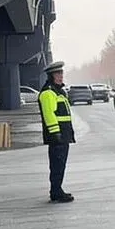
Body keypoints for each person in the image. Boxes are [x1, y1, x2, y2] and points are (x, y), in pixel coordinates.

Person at [38, 61, 76, 203]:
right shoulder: (48, 92)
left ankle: (57, 190)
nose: (61, 76)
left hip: (63, 135)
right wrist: (56, 133)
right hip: (57, 136)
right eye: (57, 74)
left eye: (61, 73)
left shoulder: (58, 91)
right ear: (51, 76)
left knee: (60, 165)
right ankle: (56, 192)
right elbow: (49, 114)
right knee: (57, 165)